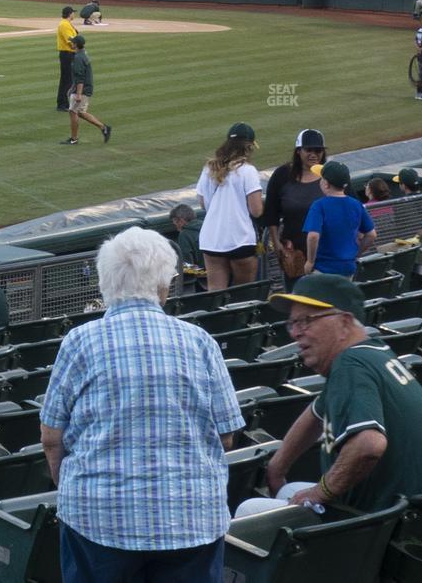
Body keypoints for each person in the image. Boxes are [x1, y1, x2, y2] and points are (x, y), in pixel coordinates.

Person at [38, 228, 245, 583]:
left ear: (106, 282)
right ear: (163, 284)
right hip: (191, 518)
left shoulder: (79, 342)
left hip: (98, 517)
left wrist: (73, 485)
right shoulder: (199, 341)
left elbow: (51, 438)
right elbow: (226, 436)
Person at [254, 273, 422, 515]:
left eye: (306, 321)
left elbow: (368, 445)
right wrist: (277, 469)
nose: (295, 332)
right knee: (290, 490)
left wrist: (319, 493)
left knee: (250, 509)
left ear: (344, 323)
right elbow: (316, 413)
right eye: (293, 323)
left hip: (395, 525)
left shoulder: (351, 364)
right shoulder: (374, 353)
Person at [196, 123, 266, 290]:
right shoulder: (248, 171)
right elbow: (256, 211)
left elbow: (202, 202)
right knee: (242, 294)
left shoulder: (209, 169)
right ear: (248, 147)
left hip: (211, 239)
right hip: (239, 238)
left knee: (215, 293)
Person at [262, 130, 330, 282]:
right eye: (308, 150)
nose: (313, 154)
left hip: (328, 249)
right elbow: (271, 212)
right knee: (297, 298)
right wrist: (276, 243)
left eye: (318, 150)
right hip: (294, 250)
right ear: (299, 151)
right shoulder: (283, 174)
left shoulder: (330, 173)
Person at [302, 162, 376, 277]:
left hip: (323, 269)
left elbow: (313, 236)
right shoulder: (356, 204)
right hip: (348, 269)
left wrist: (310, 261)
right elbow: (371, 235)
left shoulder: (319, 205)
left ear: (326, 184)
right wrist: (356, 253)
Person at [63, 35, 111, 146]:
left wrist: (78, 94)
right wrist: (72, 88)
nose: (71, 43)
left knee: (73, 111)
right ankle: (104, 128)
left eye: (72, 42)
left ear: (76, 45)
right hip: (84, 87)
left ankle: (74, 139)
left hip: (83, 89)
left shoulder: (78, 58)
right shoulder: (83, 54)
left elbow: (80, 77)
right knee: (80, 112)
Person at [55, 6, 80, 111]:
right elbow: (70, 41)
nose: (74, 14)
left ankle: (64, 103)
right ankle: (62, 104)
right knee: (67, 80)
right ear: (70, 14)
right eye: (73, 13)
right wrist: (78, 47)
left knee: (68, 79)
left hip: (69, 54)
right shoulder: (64, 25)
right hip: (67, 54)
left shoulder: (67, 24)